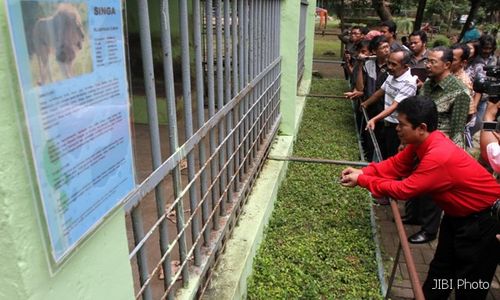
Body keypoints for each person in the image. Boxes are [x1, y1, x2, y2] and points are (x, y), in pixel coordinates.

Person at [340, 96, 500, 300]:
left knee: (470, 283)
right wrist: (364, 172)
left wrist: (363, 180)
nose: (397, 128)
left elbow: (404, 190)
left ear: (421, 127)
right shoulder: (421, 142)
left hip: (483, 223)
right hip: (457, 218)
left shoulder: (438, 155)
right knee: (440, 271)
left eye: (402, 124)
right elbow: (396, 166)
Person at [403, 46, 472, 243]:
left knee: (433, 192)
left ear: (447, 65)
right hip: (419, 144)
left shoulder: (459, 92)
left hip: (439, 151)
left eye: (433, 62)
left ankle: (429, 229)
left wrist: (448, 161)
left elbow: (457, 129)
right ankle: (414, 216)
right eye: (427, 61)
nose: (428, 65)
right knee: (414, 181)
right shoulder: (427, 85)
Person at [360, 50, 417, 159]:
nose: (389, 67)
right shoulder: (392, 75)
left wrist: (374, 119)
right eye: (389, 63)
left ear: (405, 66)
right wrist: (365, 104)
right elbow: (379, 93)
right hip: (386, 123)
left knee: (392, 156)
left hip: (397, 127)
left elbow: (394, 106)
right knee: (381, 153)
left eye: (394, 64)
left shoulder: (409, 83)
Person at [468, 34, 498, 137]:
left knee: (479, 122)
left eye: (489, 48)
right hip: (471, 95)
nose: (486, 51)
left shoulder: (494, 59)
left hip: (485, 98)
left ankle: (468, 138)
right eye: (484, 48)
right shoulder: (474, 58)